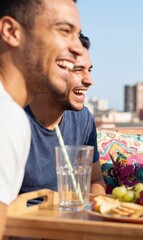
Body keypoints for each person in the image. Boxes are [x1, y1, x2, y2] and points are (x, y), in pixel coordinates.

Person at [0, 0, 83, 237]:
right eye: (64, 31)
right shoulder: (6, 117)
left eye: (77, 35)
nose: (77, 49)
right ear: (11, 31)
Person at [20, 33, 106, 196]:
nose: (89, 80)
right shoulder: (12, 119)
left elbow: (94, 181)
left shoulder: (83, 119)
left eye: (89, 70)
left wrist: (94, 212)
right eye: (77, 70)